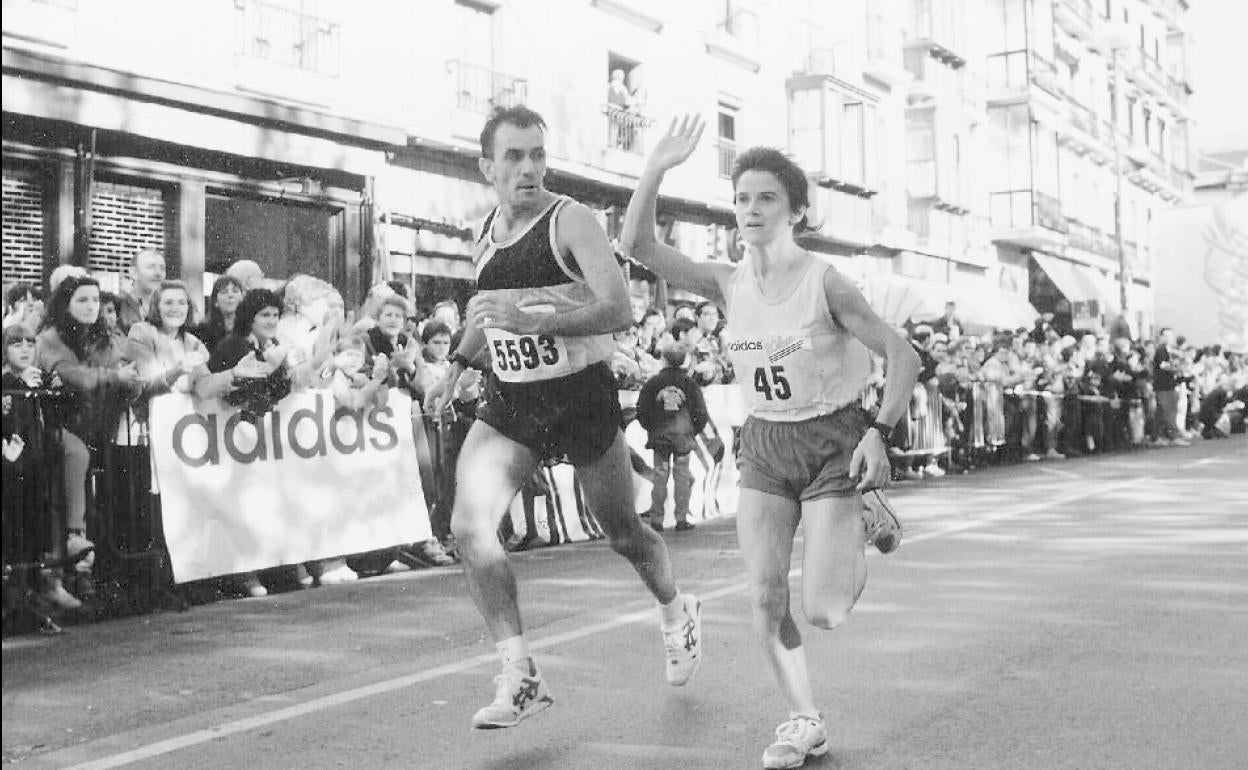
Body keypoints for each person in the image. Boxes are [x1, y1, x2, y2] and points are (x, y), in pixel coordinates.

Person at [621, 116, 919, 769]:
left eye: (767, 198)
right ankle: (804, 719)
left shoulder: (826, 282)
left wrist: (880, 433)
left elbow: (903, 355)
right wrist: (655, 169)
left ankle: (865, 515)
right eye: (743, 198)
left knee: (826, 611)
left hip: (834, 439)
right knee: (764, 593)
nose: (751, 209)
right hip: (764, 442)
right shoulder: (727, 282)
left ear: (795, 212)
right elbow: (638, 244)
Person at [424, 105, 703, 730]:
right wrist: (458, 368)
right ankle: (520, 673)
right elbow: (484, 313)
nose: (527, 168)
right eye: (514, 157)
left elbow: (617, 310)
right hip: (514, 399)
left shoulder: (570, 219)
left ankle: (675, 608)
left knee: (623, 533)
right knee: (469, 526)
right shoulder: (484, 231)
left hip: (579, 395)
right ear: (485, 167)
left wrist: (539, 320)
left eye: (537, 156)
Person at [637, 340, 708, 532]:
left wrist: (651, 428)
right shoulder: (690, 384)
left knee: (660, 476)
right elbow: (701, 412)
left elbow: (642, 409)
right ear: (684, 360)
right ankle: (681, 518)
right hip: (683, 436)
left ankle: (657, 519)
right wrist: (692, 431)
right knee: (682, 476)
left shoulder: (653, 383)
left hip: (659, 436)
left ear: (663, 359)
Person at [117, 249, 167, 333]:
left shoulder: (167, 309)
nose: (158, 273)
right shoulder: (118, 306)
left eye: (162, 268)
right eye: (151, 267)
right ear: (134, 273)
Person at [195, 275, 245, 353]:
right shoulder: (203, 331)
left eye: (235, 291)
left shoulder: (250, 329)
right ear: (215, 302)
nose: (230, 295)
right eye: (224, 292)